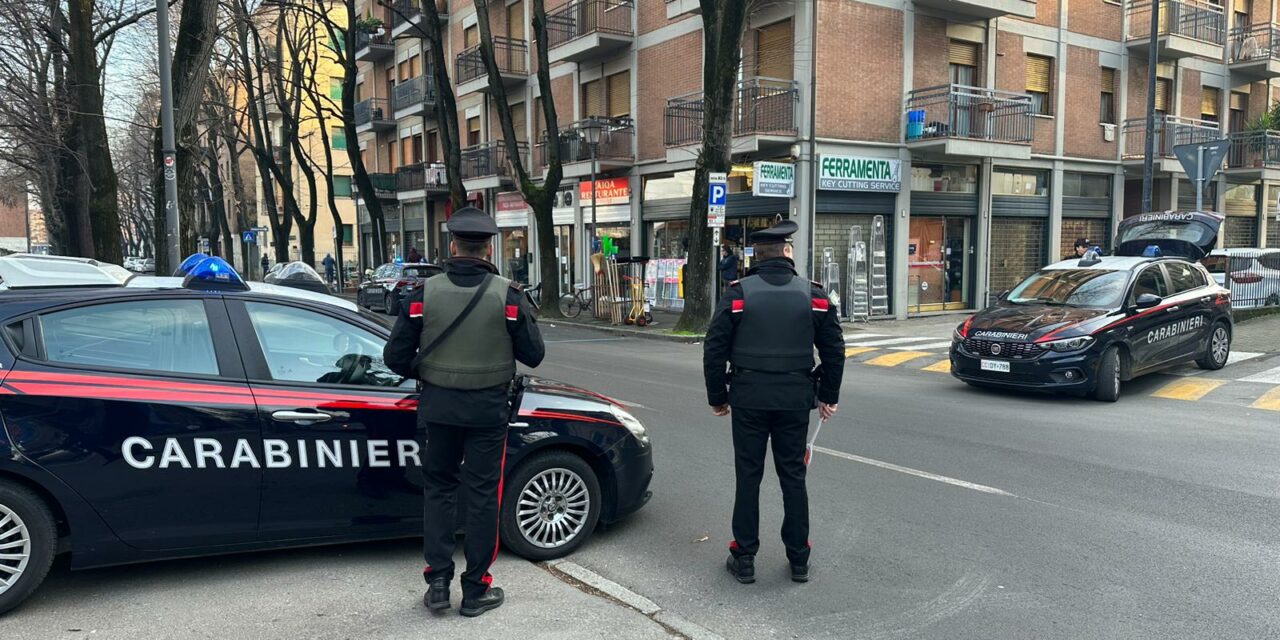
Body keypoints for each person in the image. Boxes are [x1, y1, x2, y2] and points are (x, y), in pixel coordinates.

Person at [384, 207, 545, 618]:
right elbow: (534, 355)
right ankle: (475, 590)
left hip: (438, 410)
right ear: (488, 246)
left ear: (452, 244)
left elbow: (395, 356)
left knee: (438, 491)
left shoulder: (424, 294)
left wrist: (429, 370)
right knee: (482, 496)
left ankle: (438, 581)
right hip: (488, 413)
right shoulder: (508, 294)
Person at [702, 219, 845, 585]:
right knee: (793, 478)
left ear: (757, 256)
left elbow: (714, 349)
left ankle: (744, 557)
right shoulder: (813, 295)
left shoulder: (737, 294)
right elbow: (834, 350)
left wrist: (718, 397)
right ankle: (799, 558)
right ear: (785, 252)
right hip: (795, 401)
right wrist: (827, 396)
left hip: (749, 399)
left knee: (748, 477)